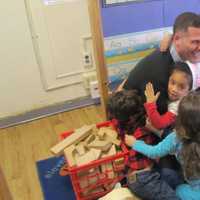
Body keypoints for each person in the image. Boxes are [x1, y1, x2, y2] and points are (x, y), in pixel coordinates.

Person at [125, 88, 200, 200]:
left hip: (194, 190)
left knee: (179, 189)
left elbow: (154, 152)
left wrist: (135, 143)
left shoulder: (176, 138)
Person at [107, 90, 180, 200]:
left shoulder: (118, 123)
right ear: (132, 116)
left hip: (137, 176)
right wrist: (151, 104)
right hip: (143, 179)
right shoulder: (141, 130)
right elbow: (154, 152)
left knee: (173, 181)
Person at [123, 12, 200, 115]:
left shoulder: (187, 56)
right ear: (176, 39)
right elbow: (160, 118)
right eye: (195, 42)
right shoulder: (158, 71)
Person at [145, 62, 193, 131]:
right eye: (172, 82)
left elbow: (159, 124)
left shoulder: (178, 106)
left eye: (181, 87)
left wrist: (150, 104)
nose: (174, 89)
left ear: (188, 91)